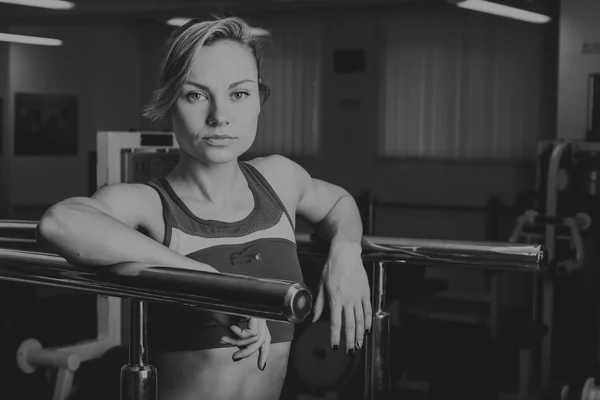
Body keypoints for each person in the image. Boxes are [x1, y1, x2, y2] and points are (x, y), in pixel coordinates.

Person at [37, 15, 372, 400]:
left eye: (239, 94)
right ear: (169, 102)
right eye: (196, 94)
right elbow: (59, 224)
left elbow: (340, 203)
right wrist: (215, 283)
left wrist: (347, 249)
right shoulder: (148, 204)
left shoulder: (280, 179)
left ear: (260, 102)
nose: (219, 116)